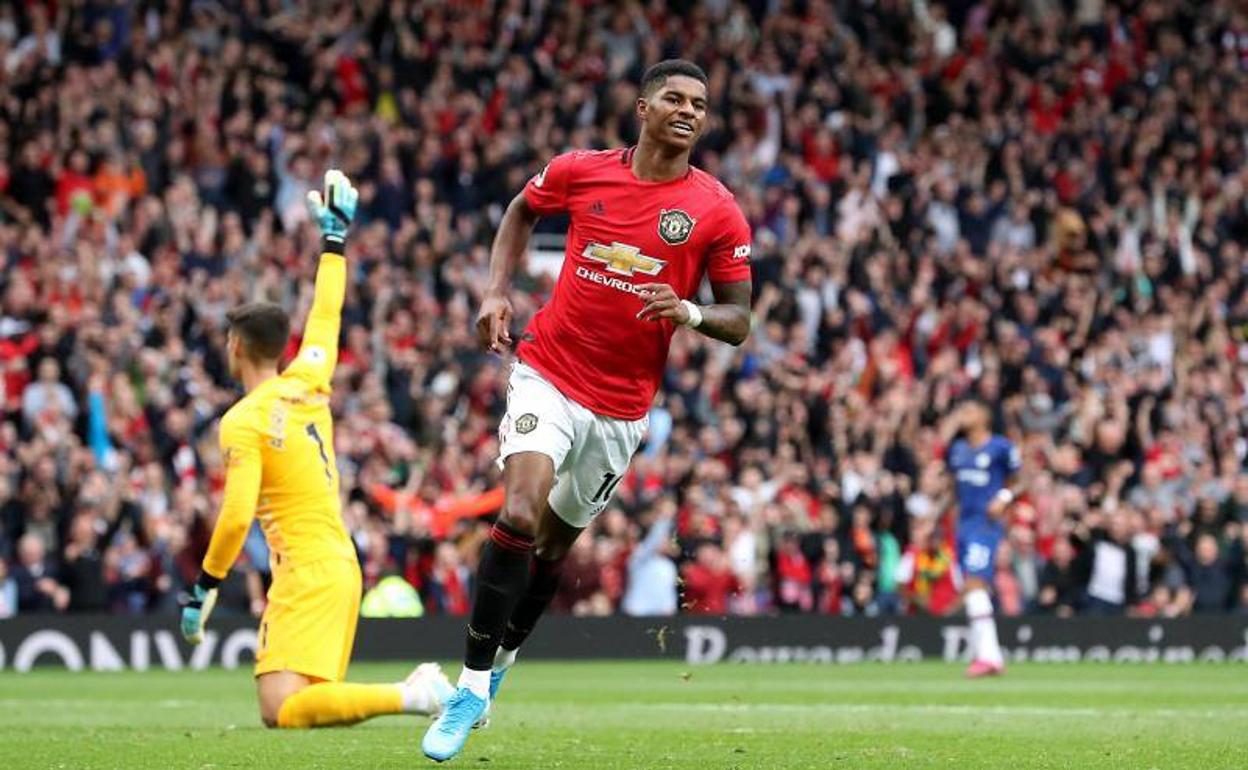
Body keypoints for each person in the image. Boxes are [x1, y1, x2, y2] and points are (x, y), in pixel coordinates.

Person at [423, 59, 753, 761]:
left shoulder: (716, 209)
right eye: (674, 97)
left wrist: (690, 310)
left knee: (551, 550)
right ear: (642, 107)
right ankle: (470, 685)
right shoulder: (580, 170)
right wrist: (495, 291)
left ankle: (502, 664)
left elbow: (740, 319)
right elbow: (519, 210)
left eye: (699, 102)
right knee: (517, 514)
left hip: (622, 409)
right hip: (548, 369)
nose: (689, 110)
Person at [178, 170, 451, 729]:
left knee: (281, 709)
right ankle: (413, 694)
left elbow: (235, 516)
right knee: (302, 703)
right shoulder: (309, 377)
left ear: (235, 347)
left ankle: (415, 693)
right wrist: (334, 241)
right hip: (339, 562)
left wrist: (206, 584)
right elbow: (326, 315)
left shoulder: (243, 420)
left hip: (304, 569)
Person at [943, 400, 1021, 677]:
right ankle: (991, 657)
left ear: (985, 416)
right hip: (963, 526)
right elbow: (953, 489)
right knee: (973, 586)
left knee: (975, 583)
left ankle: (988, 657)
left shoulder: (1001, 447)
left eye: (968, 410)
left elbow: (1020, 479)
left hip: (985, 525)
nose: (963, 414)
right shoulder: (958, 450)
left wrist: (1004, 497)